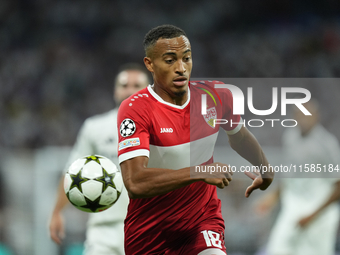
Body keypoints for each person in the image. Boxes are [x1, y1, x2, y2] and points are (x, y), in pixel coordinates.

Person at [117, 24, 274, 255]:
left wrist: (266, 170)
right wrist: (198, 172)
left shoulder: (217, 95)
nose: (181, 68)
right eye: (170, 60)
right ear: (149, 64)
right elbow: (136, 182)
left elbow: (239, 137)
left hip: (202, 221)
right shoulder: (135, 109)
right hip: (150, 232)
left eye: (186, 58)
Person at [49, 63, 150, 255]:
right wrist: (56, 212)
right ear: (115, 91)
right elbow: (72, 171)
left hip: (149, 228)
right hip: (104, 230)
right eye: (124, 85)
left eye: (136, 85)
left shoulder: (163, 128)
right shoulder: (95, 127)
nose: (129, 89)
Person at [257, 100, 340, 255]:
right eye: (299, 115)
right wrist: (273, 196)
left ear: (316, 117)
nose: (303, 119)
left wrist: (312, 216)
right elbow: (290, 174)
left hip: (319, 215)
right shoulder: (290, 137)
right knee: (277, 250)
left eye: (307, 115)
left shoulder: (327, 144)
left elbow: (338, 185)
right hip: (293, 210)